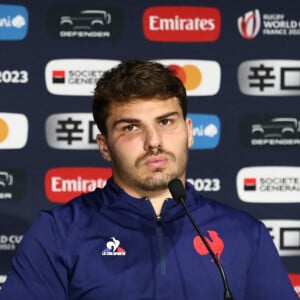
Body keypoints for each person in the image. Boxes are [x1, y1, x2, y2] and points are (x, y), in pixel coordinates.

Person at [0, 60, 297, 300]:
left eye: (166, 122)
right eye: (131, 127)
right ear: (104, 146)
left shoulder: (244, 233)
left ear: (189, 130)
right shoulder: (58, 232)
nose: (153, 141)